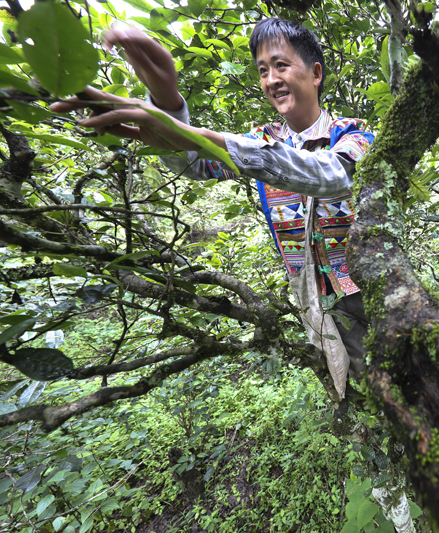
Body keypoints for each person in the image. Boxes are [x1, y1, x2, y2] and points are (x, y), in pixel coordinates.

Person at [51, 18, 374, 379]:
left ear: (315, 73)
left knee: (397, 382)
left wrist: (193, 133)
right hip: (309, 296)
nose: (271, 80)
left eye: (281, 65)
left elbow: (328, 174)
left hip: (366, 292)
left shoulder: (354, 134)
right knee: (347, 382)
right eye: (263, 70)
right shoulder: (263, 137)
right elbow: (194, 164)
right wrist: (168, 102)